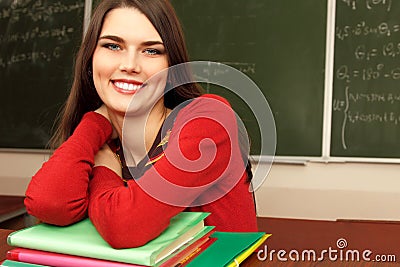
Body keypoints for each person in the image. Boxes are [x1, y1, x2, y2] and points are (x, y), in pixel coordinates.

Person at [24, 0, 257, 249]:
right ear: (91, 59)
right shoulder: (101, 141)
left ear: (171, 66)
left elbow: (124, 227)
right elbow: (49, 204)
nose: (129, 65)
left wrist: (104, 171)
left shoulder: (208, 120)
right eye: (113, 46)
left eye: (151, 51)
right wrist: (94, 124)